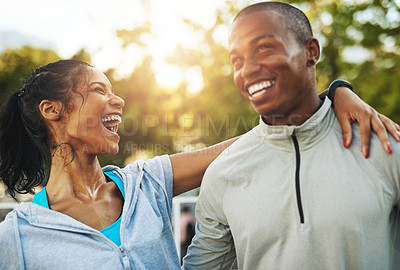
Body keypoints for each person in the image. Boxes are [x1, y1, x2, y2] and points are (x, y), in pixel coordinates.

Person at [0, 57, 395, 270]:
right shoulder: (17, 237)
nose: (118, 101)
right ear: (52, 110)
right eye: (99, 91)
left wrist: (332, 94)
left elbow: (248, 143)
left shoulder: (145, 183)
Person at [182, 2, 400, 270]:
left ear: (311, 51)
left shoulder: (385, 146)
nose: (247, 69)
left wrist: (338, 89)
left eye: (263, 47)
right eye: (237, 60)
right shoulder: (222, 175)